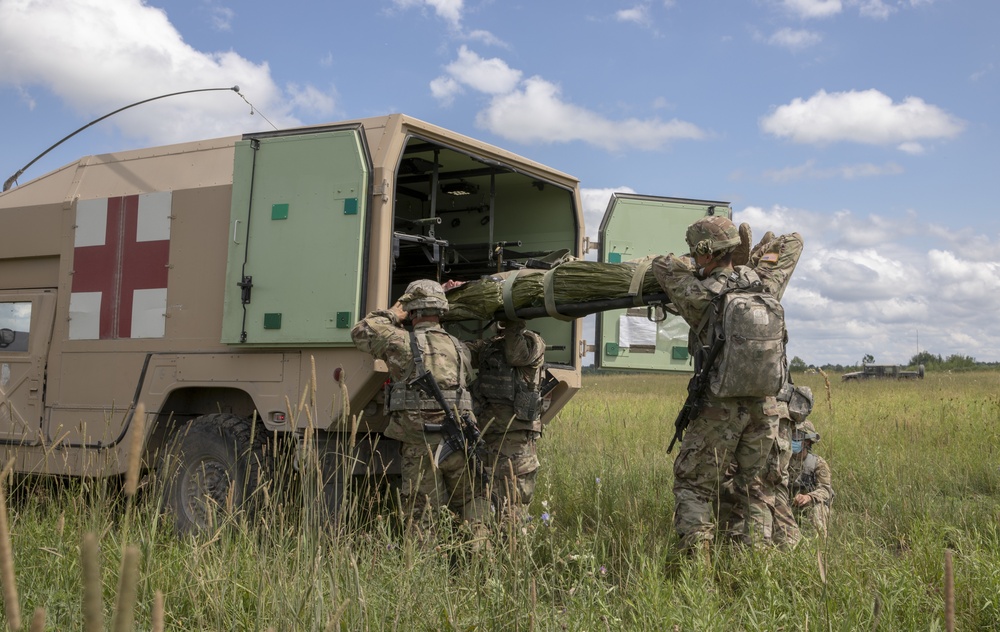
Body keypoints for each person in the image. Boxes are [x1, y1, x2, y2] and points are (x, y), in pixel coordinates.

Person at [652, 216, 803, 555]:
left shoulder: (699, 294)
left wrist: (694, 265)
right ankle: (756, 564)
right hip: (764, 409)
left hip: (717, 408)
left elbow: (663, 265)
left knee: (695, 487)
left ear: (704, 253)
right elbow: (794, 241)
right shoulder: (766, 285)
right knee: (757, 488)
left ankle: (697, 569)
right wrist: (752, 258)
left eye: (695, 251)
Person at [351, 279, 490, 538]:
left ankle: (425, 573)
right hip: (460, 444)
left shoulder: (402, 343)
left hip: (421, 449)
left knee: (422, 520)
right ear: (441, 311)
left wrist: (397, 309)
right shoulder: (461, 348)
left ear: (412, 311)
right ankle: (482, 569)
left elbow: (361, 330)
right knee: (474, 511)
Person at [466, 318, 546, 519]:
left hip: (514, 440)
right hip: (488, 436)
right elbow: (462, 353)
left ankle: (511, 547)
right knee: (483, 501)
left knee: (511, 507)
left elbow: (515, 355)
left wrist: (513, 320)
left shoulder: (532, 342)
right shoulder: (489, 346)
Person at [787, 419, 834, 538]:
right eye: (790, 435)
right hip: (787, 504)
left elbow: (825, 490)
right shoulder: (782, 460)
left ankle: (817, 548)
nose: (792, 439)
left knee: (818, 509)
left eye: (796, 436)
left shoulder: (817, 463)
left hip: (809, 505)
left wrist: (809, 497)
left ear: (807, 441)